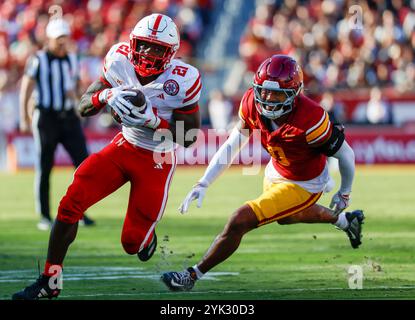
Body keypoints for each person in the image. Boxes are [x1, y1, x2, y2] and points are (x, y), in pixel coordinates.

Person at [12, 13, 201, 300]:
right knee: (70, 204)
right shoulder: (119, 60)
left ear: (171, 53)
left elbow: (188, 137)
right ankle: (50, 280)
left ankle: (146, 238)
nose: (148, 53)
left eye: (157, 48)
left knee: (131, 243)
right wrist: (106, 96)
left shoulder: (183, 78)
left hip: (157, 158)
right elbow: (84, 106)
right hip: (123, 145)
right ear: (133, 42)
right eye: (144, 45)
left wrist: (153, 121)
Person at [161, 55, 364, 292]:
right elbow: (232, 145)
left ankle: (191, 276)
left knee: (240, 220)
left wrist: (345, 192)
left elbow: (346, 155)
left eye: (276, 94)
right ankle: (346, 221)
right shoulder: (251, 103)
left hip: (305, 182)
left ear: (294, 93)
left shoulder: (310, 118)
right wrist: (204, 182)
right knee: (286, 216)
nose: (267, 100)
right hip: (276, 169)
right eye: (264, 92)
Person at [19, 18, 95, 230]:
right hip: (46, 117)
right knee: (45, 167)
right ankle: (45, 215)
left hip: (69, 117)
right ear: (50, 39)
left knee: (84, 166)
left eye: (65, 37)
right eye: (58, 38)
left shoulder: (72, 59)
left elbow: (77, 86)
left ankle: (81, 212)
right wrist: (25, 116)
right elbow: (26, 87)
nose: (62, 42)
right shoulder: (39, 59)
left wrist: (80, 102)